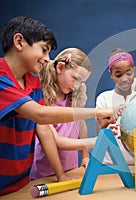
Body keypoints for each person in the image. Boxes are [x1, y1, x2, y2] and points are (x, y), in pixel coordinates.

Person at [0, 16, 115, 195]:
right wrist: (97, 115)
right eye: (44, 50)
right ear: (19, 41)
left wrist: (63, 173)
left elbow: (44, 129)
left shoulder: (33, 82)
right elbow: (41, 115)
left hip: (21, 180)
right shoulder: (2, 77)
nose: (47, 59)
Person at [30, 48, 95, 181]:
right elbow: (56, 142)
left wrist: (85, 156)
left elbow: (81, 126)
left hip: (71, 169)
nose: (77, 86)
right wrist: (96, 141)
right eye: (75, 79)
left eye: (81, 82)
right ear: (60, 67)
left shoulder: (74, 97)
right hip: (45, 174)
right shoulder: (41, 99)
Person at [96, 48, 136, 164]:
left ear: (133, 70)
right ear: (111, 74)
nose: (124, 79)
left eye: (129, 73)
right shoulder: (103, 98)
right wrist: (112, 116)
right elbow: (101, 129)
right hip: (110, 162)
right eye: (118, 75)